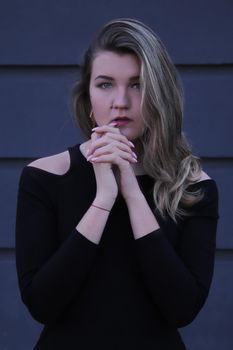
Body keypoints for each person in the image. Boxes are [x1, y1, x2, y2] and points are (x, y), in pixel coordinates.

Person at [15, 18, 219, 350]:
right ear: (88, 97)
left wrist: (131, 192)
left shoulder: (194, 188)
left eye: (137, 85)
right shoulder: (44, 176)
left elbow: (182, 308)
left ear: (159, 95)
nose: (120, 101)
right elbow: (42, 304)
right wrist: (105, 197)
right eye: (106, 84)